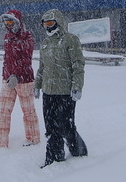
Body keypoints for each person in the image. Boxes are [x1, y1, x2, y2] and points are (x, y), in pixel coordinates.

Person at [34, 9, 87, 168]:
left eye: (51, 23)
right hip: (48, 92)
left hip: (65, 92)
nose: (48, 27)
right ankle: (54, 157)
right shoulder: (44, 43)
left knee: (65, 125)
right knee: (50, 127)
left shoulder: (70, 40)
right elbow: (42, 67)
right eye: (45, 24)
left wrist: (77, 86)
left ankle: (78, 149)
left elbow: (78, 64)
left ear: (58, 22)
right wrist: (37, 85)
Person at [0, 9, 41, 148]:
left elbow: (26, 60)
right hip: (7, 79)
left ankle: (33, 138)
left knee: (28, 110)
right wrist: (6, 74)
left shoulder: (27, 37)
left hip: (24, 80)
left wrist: (16, 75)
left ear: (17, 22)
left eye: (10, 22)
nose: (7, 25)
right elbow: (7, 59)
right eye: (6, 22)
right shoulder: (7, 37)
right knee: (4, 110)